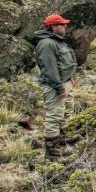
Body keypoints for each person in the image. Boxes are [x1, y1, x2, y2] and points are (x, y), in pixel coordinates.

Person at [34, 13, 80, 159]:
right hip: (54, 86)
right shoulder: (47, 44)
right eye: (61, 24)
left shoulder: (57, 42)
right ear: (53, 27)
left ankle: (61, 138)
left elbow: (63, 63)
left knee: (65, 111)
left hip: (64, 83)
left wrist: (70, 77)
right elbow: (49, 69)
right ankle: (51, 149)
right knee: (54, 115)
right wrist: (58, 87)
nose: (65, 26)